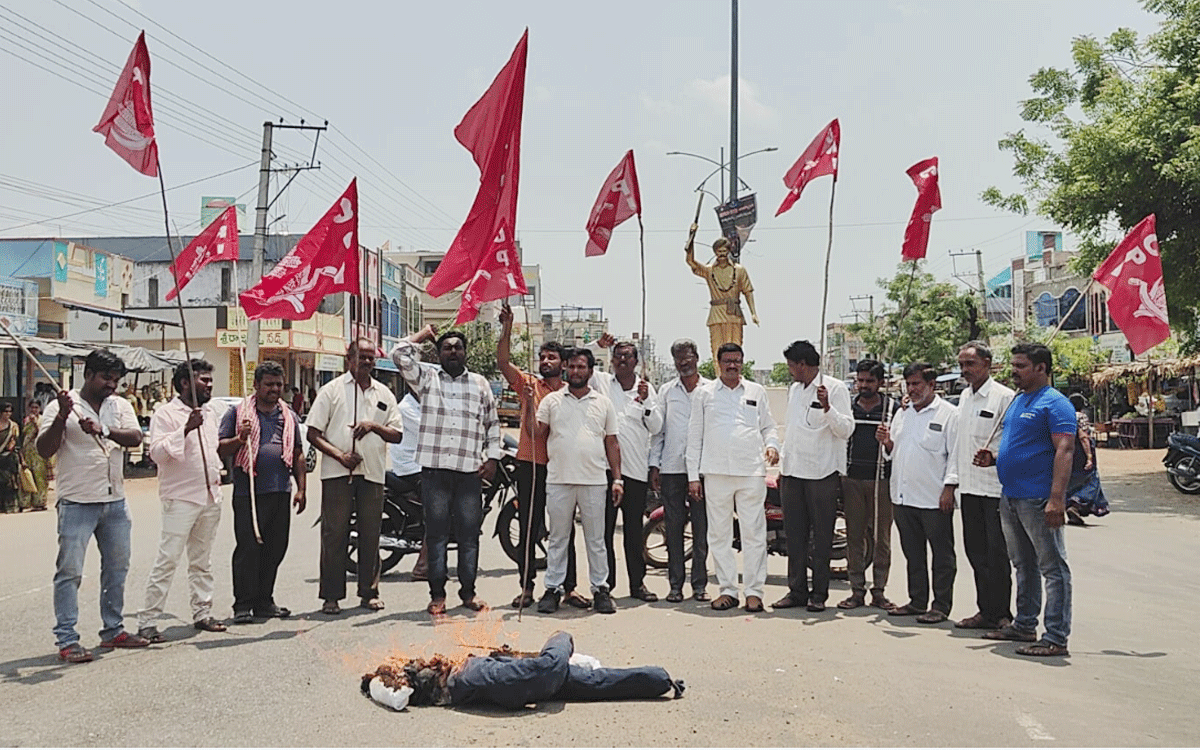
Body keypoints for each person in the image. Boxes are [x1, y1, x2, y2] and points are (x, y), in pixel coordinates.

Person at [38, 349, 147, 663]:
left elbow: (136, 438)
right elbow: (45, 449)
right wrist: (61, 416)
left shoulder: (120, 405)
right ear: (87, 375)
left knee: (117, 568)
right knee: (70, 572)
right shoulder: (63, 405)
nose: (111, 384)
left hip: (115, 501)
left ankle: (113, 630)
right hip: (77, 502)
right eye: (105, 378)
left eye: (115, 379)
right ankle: (67, 639)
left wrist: (104, 430)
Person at [976, 343, 1075, 658]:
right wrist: (993, 458)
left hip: (1038, 497)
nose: (1013, 372)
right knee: (1023, 565)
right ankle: (1024, 623)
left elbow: (1065, 449)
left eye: (1020, 366)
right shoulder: (1018, 401)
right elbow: (1018, 444)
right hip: (1010, 495)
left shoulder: (1055, 404)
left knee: (1052, 567)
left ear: (1041, 368)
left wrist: (1056, 499)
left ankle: (1056, 636)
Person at [392, 326, 499, 616]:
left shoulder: (480, 384)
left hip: (468, 472)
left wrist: (492, 459)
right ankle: (437, 595)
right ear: (438, 354)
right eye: (447, 348)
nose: (453, 351)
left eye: (457, 347)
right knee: (437, 535)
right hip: (435, 472)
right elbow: (398, 353)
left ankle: (468, 593)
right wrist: (423, 335)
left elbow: (493, 425)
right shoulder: (426, 380)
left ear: (465, 353)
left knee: (468, 536)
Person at [496, 304, 586, 610]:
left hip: (562, 468)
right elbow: (503, 360)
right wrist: (507, 327)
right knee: (529, 527)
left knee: (563, 529)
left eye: (552, 357)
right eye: (542, 357)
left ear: (563, 364)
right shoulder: (528, 385)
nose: (546, 361)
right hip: (530, 464)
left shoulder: (571, 391)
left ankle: (570, 587)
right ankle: (526, 587)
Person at [308, 339, 403, 616]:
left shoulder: (384, 393)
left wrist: (373, 426)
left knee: (371, 535)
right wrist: (340, 456)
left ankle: (369, 592)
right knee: (334, 534)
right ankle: (331, 596)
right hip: (338, 473)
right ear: (348, 358)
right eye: (361, 357)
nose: (367, 362)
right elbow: (313, 433)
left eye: (371, 358)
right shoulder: (332, 391)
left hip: (372, 473)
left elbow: (397, 434)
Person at [136, 359, 228, 641]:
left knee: (202, 561)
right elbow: (157, 453)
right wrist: (185, 428)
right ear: (185, 383)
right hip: (181, 499)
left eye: (210, 380)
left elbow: (213, 450)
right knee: (167, 560)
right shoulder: (166, 413)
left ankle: (202, 612)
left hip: (210, 495)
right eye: (203, 380)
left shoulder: (211, 413)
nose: (209, 385)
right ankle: (148, 620)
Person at [686, 342, 779, 613]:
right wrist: (693, 476)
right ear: (718, 363)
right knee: (719, 536)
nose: (732, 365)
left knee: (754, 534)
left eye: (737, 361)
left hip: (750, 472)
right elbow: (695, 437)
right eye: (727, 361)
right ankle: (727, 590)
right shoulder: (704, 395)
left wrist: (772, 445)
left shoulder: (756, 391)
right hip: (715, 473)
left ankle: (754, 592)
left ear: (743, 362)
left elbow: (768, 426)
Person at [361, 631, 683, 709]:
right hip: (472, 678)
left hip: (486, 670)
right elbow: (398, 696)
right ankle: (562, 637)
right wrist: (381, 681)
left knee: (592, 682)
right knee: (549, 669)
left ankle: (660, 680)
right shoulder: (388, 682)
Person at [217, 361, 307, 624]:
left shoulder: (289, 415)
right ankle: (243, 605)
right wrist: (239, 439)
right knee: (248, 549)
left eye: (278, 384)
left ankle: (264, 601)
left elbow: (298, 454)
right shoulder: (238, 414)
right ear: (256, 385)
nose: (274, 389)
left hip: (280, 490)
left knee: (276, 548)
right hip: (250, 493)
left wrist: (302, 488)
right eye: (269, 384)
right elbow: (222, 449)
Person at [534, 347, 622, 615]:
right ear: (565, 370)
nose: (575, 372)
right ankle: (553, 589)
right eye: (571, 367)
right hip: (559, 479)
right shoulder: (551, 401)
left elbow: (612, 442)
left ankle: (601, 589)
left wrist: (617, 479)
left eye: (581, 367)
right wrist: (528, 404)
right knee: (558, 538)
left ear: (590, 371)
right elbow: (536, 433)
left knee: (596, 540)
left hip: (595, 480)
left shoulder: (603, 403)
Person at [772, 340, 854, 613]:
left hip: (821, 474)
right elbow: (793, 432)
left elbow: (846, 429)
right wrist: (783, 469)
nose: (790, 371)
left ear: (803, 365)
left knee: (821, 538)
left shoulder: (834, 388)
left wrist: (828, 406)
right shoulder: (794, 390)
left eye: (792, 366)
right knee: (794, 536)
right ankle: (796, 590)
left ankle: (819, 594)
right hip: (793, 472)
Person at [877, 362, 959, 625]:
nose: (911, 390)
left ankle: (941, 606)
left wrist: (949, 488)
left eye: (917, 384)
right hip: (902, 497)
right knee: (913, 554)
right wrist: (887, 442)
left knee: (942, 556)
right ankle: (917, 601)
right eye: (908, 384)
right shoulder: (903, 414)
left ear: (932, 385)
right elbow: (895, 451)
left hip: (934, 498)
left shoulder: (949, 415)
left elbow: (955, 456)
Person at [589, 339, 662, 602]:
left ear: (636, 361)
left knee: (633, 531)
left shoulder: (646, 389)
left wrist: (645, 402)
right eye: (617, 356)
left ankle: (637, 584)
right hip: (605, 471)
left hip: (635, 472)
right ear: (611, 360)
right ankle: (605, 585)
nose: (622, 360)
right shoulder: (601, 383)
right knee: (604, 532)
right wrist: (597, 343)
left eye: (628, 357)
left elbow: (656, 427)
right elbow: (581, 358)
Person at [953, 341, 1016, 631]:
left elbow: (1015, 441)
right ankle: (984, 610)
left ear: (987, 364)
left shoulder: (1005, 397)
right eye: (962, 365)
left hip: (995, 489)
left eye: (971, 364)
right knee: (976, 552)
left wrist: (996, 456)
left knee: (997, 554)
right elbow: (958, 444)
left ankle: (1002, 613)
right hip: (969, 488)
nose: (965, 370)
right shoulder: (963, 398)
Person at [649, 338, 712, 603]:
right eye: (678, 358)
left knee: (701, 528)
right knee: (673, 529)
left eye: (687, 357)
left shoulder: (711, 389)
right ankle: (675, 585)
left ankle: (700, 585)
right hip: (672, 468)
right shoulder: (666, 391)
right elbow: (658, 431)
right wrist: (654, 464)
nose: (683, 363)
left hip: (703, 469)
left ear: (696, 357)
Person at [838, 360, 897, 610]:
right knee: (854, 536)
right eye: (860, 380)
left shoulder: (893, 408)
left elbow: (900, 445)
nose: (864, 385)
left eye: (869, 381)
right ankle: (856, 590)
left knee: (881, 538)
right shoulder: (848, 407)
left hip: (881, 480)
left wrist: (888, 441)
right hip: (851, 479)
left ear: (880, 383)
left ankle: (880, 591)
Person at [684, 223, 760, 363]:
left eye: (724, 251)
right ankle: (719, 379)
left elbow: (748, 291)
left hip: (734, 314)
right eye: (719, 251)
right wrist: (691, 237)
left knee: (735, 349)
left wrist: (753, 313)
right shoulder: (708, 271)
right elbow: (690, 261)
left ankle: (735, 377)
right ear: (715, 252)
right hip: (716, 314)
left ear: (729, 251)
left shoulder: (739, 270)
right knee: (717, 350)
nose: (722, 254)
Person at [385, 388, 427, 580]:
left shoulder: (422, 405)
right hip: (411, 467)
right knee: (438, 510)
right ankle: (422, 567)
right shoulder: (406, 408)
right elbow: (428, 431)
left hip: (419, 464)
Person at [1066, 393, 1110, 524]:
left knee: (1072, 480)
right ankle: (1076, 504)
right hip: (1081, 452)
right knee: (1092, 480)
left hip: (1068, 451)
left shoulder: (1066, 416)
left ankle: (1071, 507)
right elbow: (1084, 437)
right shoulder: (1081, 417)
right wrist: (1089, 457)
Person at [20, 399, 50, 511]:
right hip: (28, 451)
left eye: (36, 407)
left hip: (39, 451)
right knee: (28, 476)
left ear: (40, 409)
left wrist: (35, 423)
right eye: (32, 407)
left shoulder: (43, 420)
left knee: (40, 477)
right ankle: (26, 502)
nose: (34, 410)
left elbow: (42, 433)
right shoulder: (26, 420)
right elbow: (24, 436)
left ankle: (40, 502)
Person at [0, 401, 19, 513]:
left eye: (9, 411)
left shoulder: (13, 426)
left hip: (8, 457)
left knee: (8, 482)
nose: (7, 414)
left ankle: (10, 506)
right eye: (5, 411)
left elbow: (15, 440)